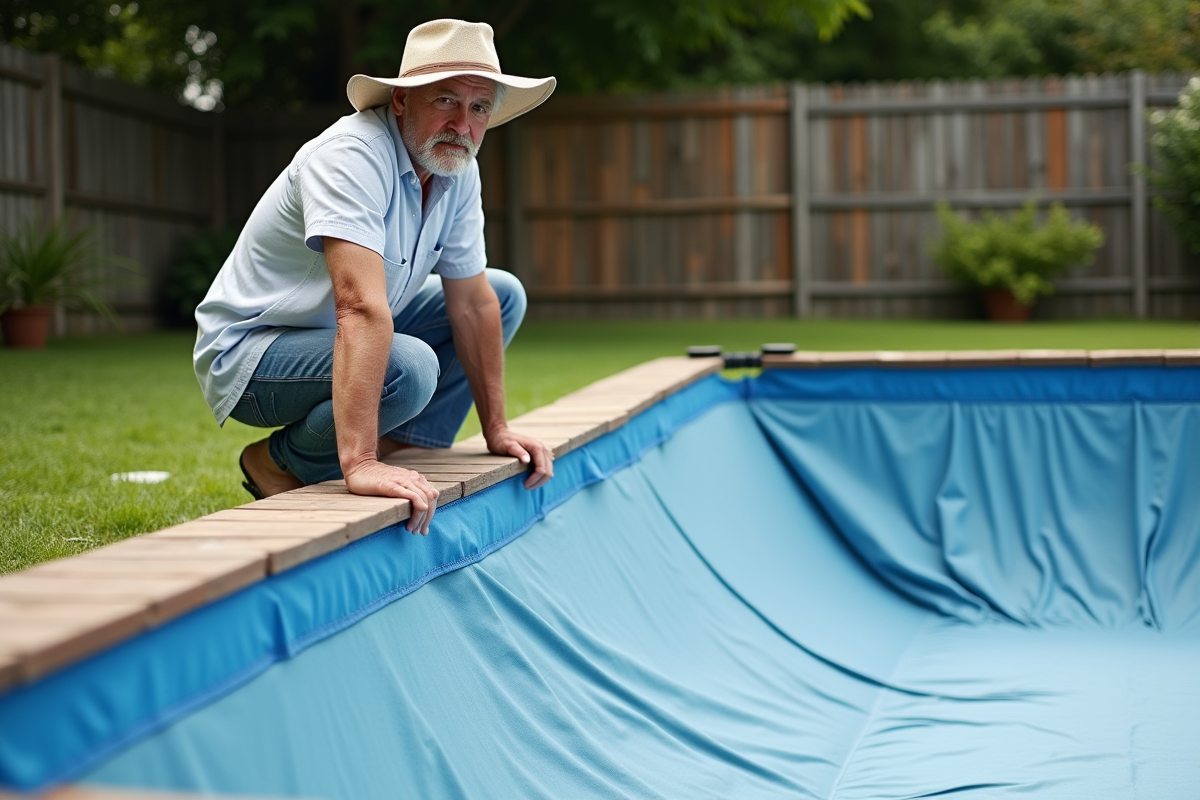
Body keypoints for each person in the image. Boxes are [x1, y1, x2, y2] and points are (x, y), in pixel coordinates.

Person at [192, 19, 557, 535]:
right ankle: (281, 461)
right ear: (402, 100)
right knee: (408, 366)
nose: (463, 124)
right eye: (446, 100)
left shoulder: (457, 168)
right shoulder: (352, 156)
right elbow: (359, 307)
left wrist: (497, 429)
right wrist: (358, 463)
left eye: (479, 108)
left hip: (339, 335)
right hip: (254, 352)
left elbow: (473, 304)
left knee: (502, 294)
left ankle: (404, 449)